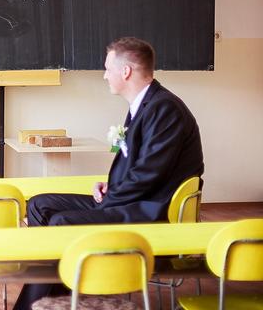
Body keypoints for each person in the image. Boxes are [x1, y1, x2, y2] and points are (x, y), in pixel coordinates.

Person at [13, 36, 204, 310]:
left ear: (125, 71)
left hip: (148, 210)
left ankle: (35, 304)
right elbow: (139, 165)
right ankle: (60, 295)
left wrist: (110, 199)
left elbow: (149, 175)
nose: (104, 76)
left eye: (107, 69)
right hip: (130, 198)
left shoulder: (165, 109)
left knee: (61, 222)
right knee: (40, 205)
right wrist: (111, 185)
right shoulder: (145, 105)